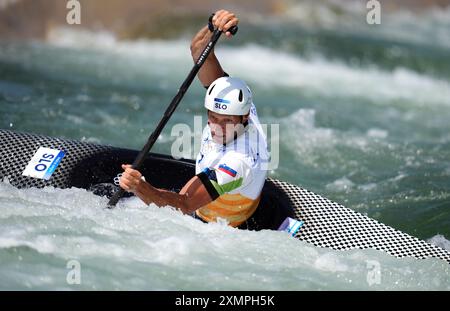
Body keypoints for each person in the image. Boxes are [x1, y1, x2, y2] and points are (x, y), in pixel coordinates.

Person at [119, 10, 270, 229]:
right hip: (207, 195)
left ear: (245, 117)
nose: (217, 127)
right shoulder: (233, 101)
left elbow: (185, 204)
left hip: (218, 228)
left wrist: (139, 188)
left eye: (227, 122)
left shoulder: (238, 162)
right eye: (213, 117)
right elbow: (200, 51)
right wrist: (214, 26)